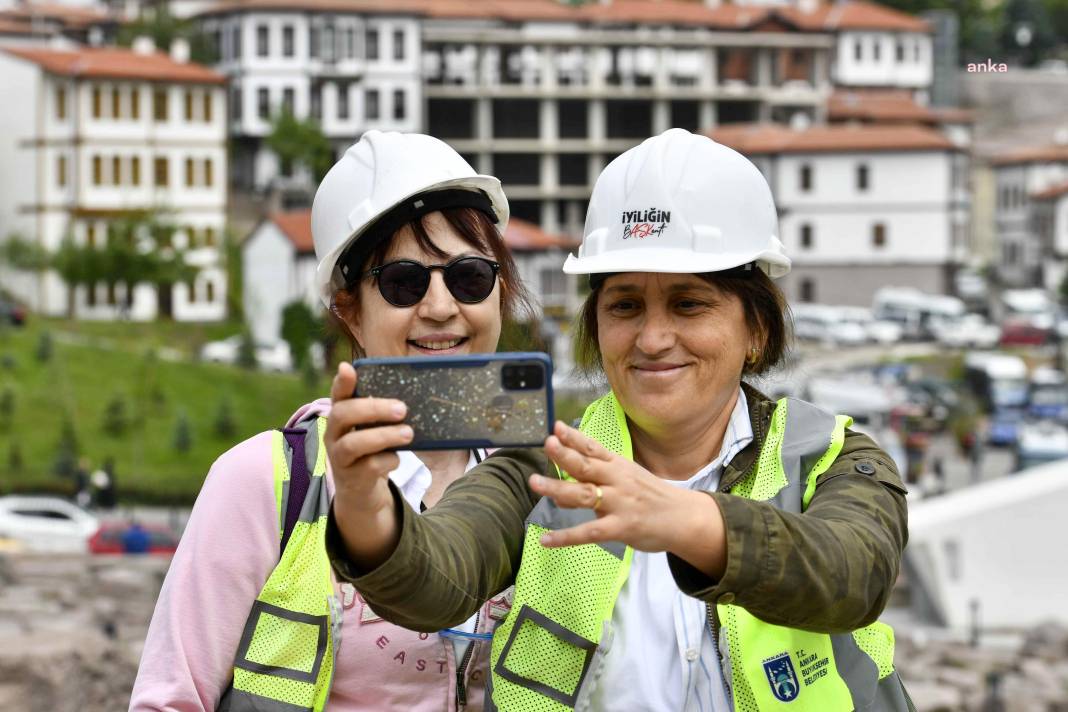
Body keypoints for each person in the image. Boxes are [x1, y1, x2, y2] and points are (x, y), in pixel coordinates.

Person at [325, 129, 913, 711]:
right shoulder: (543, 465)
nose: (653, 338)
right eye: (625, 306)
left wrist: (687, 520)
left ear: (756, 329)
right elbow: (439, 579)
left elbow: (852, 574)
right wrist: (368, 515)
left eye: (689, 304)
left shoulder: (832, 458)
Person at [130, 131, 535, 711]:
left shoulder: (537, 484)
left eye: (469, 276)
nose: (442, 307)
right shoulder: (264, 482)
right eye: (404, 283)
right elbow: (169, 699)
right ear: (350, 311)